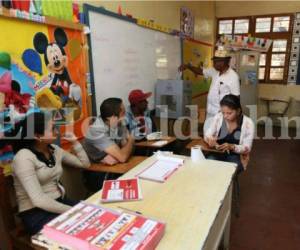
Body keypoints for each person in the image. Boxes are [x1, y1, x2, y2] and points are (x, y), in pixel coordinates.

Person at [9, 111, 90, 235]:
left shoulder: (54, 150)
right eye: (53, 129)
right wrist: (72, 211)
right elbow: (39, 200)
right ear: (37, 136)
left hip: (59, 203)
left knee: (92, 212)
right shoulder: (23, 158)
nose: (57, 132)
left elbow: (85, 164)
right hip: (35, 214)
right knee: (81, 230)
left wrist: (75, 142)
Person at [179, 48, 240, 133]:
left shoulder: (233, 76)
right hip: (210, 111)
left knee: (219, 138)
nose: (214, 63)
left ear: (226, 61)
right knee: (207, 134)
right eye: (214, 61)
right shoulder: (214, 71)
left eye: (217, 61)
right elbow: (201, 71)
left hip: (223, 114)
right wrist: (188, 67)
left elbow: (236, 98)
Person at [82, 98, 134, 191]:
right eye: (123, 113)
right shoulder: (96, 130)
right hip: (97, 174)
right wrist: (131, 140)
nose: (125, 116)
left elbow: (126, 151)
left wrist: (120, 153)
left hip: (114, 167)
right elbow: (123, 156)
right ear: (112, 117)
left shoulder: (117, 123)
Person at [204, 94, 254, 173]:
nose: (225, 116)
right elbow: (207, 134)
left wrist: (232, 147)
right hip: (217, 152)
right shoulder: (218, 117)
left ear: (238, 111)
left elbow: (247, 148)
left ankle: (227, 185)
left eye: (229, 113)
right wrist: (210, 140)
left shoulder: (248, 123)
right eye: (223, 112)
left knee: (229, 170)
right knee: (209, 163)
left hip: (236, 156)